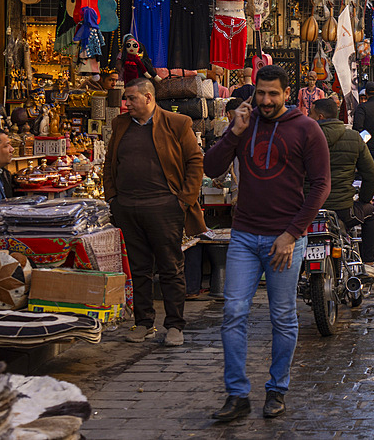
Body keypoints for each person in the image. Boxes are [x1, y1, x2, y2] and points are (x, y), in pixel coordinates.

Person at [203, 64, 330, 422]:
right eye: (260, 93)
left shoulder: (307, 129)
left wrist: (292, 234)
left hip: (284, 238)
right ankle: (237, 394)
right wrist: (234, 132)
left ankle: (276, 390)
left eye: (273, 93)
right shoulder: (245, 124)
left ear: (287, 93)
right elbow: (211, 168)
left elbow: (321, 185)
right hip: (243, 235)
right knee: (233, 313)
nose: (266, 100)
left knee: (283, 317)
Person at [102, 78, 205, 347]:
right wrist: (112, 197)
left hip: (164, 207)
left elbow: (195, 161)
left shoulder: (177, 123)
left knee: (171, 267)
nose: (126, 104)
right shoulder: (120, 124)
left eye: (131, 98)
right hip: (127, 208)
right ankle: (144, 323)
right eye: (126, 99)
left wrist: (183, 200)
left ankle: (174, 325)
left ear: (148, 98)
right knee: (139, 269)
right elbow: (110, 162)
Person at [310, 98, 374, 283]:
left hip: (309, 209)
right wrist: (365, 199)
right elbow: (371, 174)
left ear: (320, 116)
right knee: (369, 213)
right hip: (343, 209)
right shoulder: (353, 138)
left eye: (311, 114)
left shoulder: (304, 138)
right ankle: (368, 263)